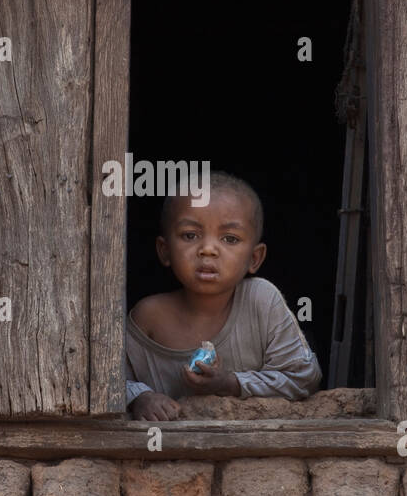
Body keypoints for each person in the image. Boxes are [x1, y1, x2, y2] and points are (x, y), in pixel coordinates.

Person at [126, 171, 322, 421]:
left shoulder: (261, 301)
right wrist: (139, 398)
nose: (208, 249)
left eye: (230, 238)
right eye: (190, 235)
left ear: (254, 258)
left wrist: (229, 383)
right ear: (164, 251)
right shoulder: (148, 317)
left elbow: (304, 377)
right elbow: (102, 379)